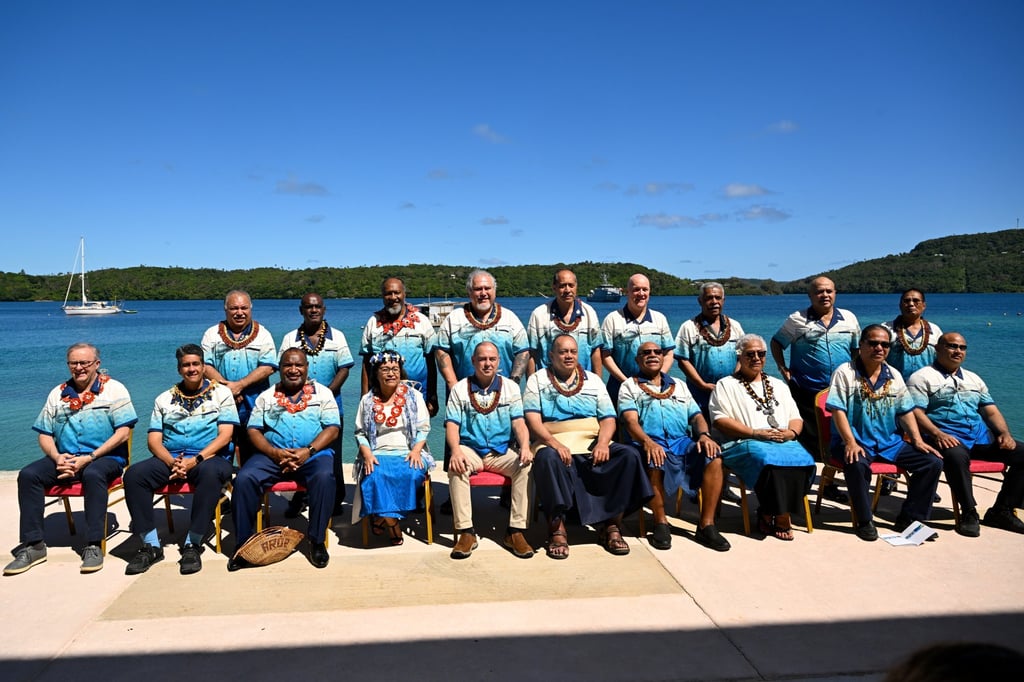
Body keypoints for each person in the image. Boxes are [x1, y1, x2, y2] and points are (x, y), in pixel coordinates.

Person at [5, 343, 137, 575]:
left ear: (97, 364)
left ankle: (94, 544)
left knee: (93, 473)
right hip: (64, 456)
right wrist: (57, 458)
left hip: (104, 457)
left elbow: (123, 432)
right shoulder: (57, 393)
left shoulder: (115, 390)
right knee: (28, 475)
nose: (79, 368)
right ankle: (34, 545)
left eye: (85, 362)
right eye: (74, 363)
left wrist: (90, 457)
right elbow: (45, 434)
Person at [524, 334, 653, 559]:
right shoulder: (538, 379)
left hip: (591, 438)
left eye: (573, 352)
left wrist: (603, 443)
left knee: (628, 455)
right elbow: (533, 419)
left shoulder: (593, 380)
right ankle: (557, 528)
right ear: (551, 355)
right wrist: (554, 443)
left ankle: (612, 524)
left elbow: (608, 418)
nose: (568, 356)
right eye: (563, 352)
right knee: (547, 458)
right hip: (552, 438)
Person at [123, 344, 238, 575]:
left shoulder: (222, 394)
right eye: (186, 365)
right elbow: (154, 440)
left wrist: (195, 460)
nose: (192, 369)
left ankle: (193, 543)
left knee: (210, 473)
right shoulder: (164, 398)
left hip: (208, 457)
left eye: (196, 364)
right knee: (135, 475)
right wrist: (171, 462)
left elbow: (226, 435)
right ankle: (151, 545)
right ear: (179, 369)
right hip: (171, 458)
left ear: (204, 367)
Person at [826, 325, 942, 542]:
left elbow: (906, 411)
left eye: (885, 344)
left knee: (931, 462)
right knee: (857, 463)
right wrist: (849, 442)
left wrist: (917, 440)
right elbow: (837, 410)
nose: (879, 348)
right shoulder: (845, 372)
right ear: (861, 345)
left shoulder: (894, 374)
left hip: (889, 442)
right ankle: (864, 519)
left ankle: (910, 518)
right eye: (873, 343)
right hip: (856, 440)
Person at [229, 349, 339, 570]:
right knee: (244, 478)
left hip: (312, 455)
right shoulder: (266, 396)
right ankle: (244, 544)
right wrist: (273, 453)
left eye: (298, 365)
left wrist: (308, 451)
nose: (293, 370)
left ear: (307, 367)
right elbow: (253, 431)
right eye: (288, 365)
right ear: (280, 368)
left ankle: (316, 541)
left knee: (325, 477)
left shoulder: (324, 394)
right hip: (273, 455)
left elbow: (333, 428)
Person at [908, 332, 1024, 536]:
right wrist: (937, 434)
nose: (958, 351)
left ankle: (1001, 511)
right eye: (952, 346)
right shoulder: (922, 377)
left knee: (1022, 452)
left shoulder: (973, 379)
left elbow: (990, 410)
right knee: (956, 455)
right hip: (945, 437)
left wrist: (1005, 433)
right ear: (938, 349)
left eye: (962, 348)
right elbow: (916, 412)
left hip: (979, 438)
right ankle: (968, 511)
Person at [619, 342, 728, 551]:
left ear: (663, 357)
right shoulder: (629, 386)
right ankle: (660, 522)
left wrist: (704, 435)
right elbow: (630, 421)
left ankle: (707, 525)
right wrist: (647, 442)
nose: (652, 355)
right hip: (649, 441)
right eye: (646, 353)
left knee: (714, 458)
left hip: (681, 441)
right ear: (637, 359)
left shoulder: (678, 384)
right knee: (654, 458)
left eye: (657, 352)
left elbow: (696, 415)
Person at [709, 334, 816, 541]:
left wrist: (791, 433)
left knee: (804, 460)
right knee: (767, 460)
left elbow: (796, 418)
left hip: (782, 440)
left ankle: (769, 512)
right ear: (739, 356)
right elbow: (719, 420)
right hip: (744, 441)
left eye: (761, 354)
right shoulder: (726, 385)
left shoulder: (778, 385)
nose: (756, 358)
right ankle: (781, 515)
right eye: (750, 354)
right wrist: (754, 432)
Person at [771, 276, 860, 502]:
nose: (825, 295)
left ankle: (828, 484)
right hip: (806, 391)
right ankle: (802, 487)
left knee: (837, 439)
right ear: (811, 296)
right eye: (819, 292)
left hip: (840, 392)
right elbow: (777, 343)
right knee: (808, 442)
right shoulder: (797, 319)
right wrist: (783, 370)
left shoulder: (849, 318)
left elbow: (857, 350)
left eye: (829, 291)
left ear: (835, 293)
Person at [445, 342, 534, 559]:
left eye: (492, 359)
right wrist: (455, 451)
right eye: (482, 359)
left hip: (500, 451)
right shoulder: (459, 389)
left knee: (526, 466)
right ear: (473, 361)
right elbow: (452, 425)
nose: (487, 364)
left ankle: (515, 531)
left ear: (498, 362)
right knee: (456, 466)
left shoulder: (511, 388)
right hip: (471, 450)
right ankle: (466, 532)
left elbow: (519, 423)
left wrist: (524, 447)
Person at [280, 292, 354, 516]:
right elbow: (284, 370)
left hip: (331, 406)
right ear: (300, 310)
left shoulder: (337, 337)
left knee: (332, 455)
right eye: (308, 307)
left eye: (317, 307)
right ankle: (298, 497)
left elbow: (344, 368)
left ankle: (334, 499)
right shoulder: (290, 338)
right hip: (297, 410)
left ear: (324, 309)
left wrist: (326, 395)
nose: (313, 310)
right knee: (298, 452)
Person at [352, 351, 434, 546]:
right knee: (375, 475)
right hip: (377, 451)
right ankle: (393, 523)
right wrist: (367, 454)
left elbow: (423, 427)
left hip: (409, 449)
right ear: (376, 374)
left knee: (412, 474)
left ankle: (381, 517)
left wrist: (415, 451)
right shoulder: (368, 400)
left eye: (395, 369)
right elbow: (360, 432)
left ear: (401, 372)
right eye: (385, 369)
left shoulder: (413, 395)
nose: (391, 373)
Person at [201, 290, 278, 464]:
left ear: (250, 309)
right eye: (234, 308)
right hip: (219, 402)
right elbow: (205, 366)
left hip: (255, 403)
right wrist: (228, 390)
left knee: (255, 452)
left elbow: (268, 367)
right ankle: (221, 486)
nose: (239, 312)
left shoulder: (263, 334)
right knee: (220, 449)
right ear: (225, 310)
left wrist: (240, 385)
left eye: (244, 308)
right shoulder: (212, 334)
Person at [360, 276, 438, 413]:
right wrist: (364, 399)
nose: (393, 297)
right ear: (383, 296)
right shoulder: (373, 323)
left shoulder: (422, 321)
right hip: (381, 398)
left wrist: (432, 395)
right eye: (388, 293)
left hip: (417, 395)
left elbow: (431, 362)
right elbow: (366, 364)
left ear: (404, 294)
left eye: (397, 293)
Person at [600, 273, 674, 403]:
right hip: (619, 388)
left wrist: (656, 378)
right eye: (636, 289)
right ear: (627, 292)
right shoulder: (612, 319)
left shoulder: (660, 319)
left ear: (649, 292)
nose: (641, 293)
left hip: (655, 389)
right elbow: (605, 356)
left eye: (645, 289)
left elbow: (668, 353)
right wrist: (627, 383)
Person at [674, 282, 745, 414]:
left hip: (730, 394)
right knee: (703, 431)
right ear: (700, 301)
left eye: (718, 298)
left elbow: (743, 356)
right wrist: (702, 385)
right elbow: (683, 360)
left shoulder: (735, 326)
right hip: (699, 395)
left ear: (723, 300)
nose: (714, 302)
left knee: (731, 430)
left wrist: (734, 381)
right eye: (709, 298)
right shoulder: (689, 327)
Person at [527, 268, 603, 374]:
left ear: (576, 287)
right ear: (554, 287)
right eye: (562, 286)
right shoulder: (539, 314)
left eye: (571, 285)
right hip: (548, 383)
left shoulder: (589, 313)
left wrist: (598, 384)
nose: (567, 290)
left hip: (584, 382)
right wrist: (531, 385)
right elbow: (532, 354)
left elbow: (596, 351)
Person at [883, 288, 943, 381]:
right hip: (895, 385)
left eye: (916, 301)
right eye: (906, 301)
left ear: (924, 305)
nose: (911, 304)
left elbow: (943, 359)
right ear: (900, 305)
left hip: (928, 386)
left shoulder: (935, 331)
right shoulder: (886, 329)